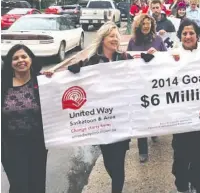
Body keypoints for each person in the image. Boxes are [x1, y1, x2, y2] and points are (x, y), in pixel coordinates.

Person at [44, 22, 134, 193]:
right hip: (102, 121)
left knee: (119, 162)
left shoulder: (124, 58)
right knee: (109, 163)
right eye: (111, 36)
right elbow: (70, 80)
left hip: (121, 119)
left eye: (117, 36)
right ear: (103, 39)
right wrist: (61, 74)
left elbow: (141, 72)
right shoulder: (91, 62)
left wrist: (149, 59)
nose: (115, 39)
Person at [170, 18, 200, 193]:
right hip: (180, 116)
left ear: (198, 36)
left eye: (191, 33)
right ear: (180, 36)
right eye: (185, 33)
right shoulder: (171, 55)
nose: (188, 36)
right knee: (180, 153)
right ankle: (182, 185)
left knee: (199, 154)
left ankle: (197, 184)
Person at [1, 44, 48, 193]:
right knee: (19, 187)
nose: (20, 60)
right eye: (15, 58)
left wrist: (75, 71)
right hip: (11, 147)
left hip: (37, 144)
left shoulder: (42, 82)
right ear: (10, 63)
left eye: (24, 56)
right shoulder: (3, 85)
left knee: (37, 185)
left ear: (31, 60)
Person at [127, 14, 167, 163]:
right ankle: (142, 150)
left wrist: (158, 56)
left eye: (148, 23)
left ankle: (154, 130)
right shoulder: (133, 41)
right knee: (141, 115)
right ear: (138, 25)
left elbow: (166, 58)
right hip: (139, 84)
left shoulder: (158, 40)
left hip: (154, 83)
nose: (146, 26)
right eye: (143, 23)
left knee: (153, 111)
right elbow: (127, 60)